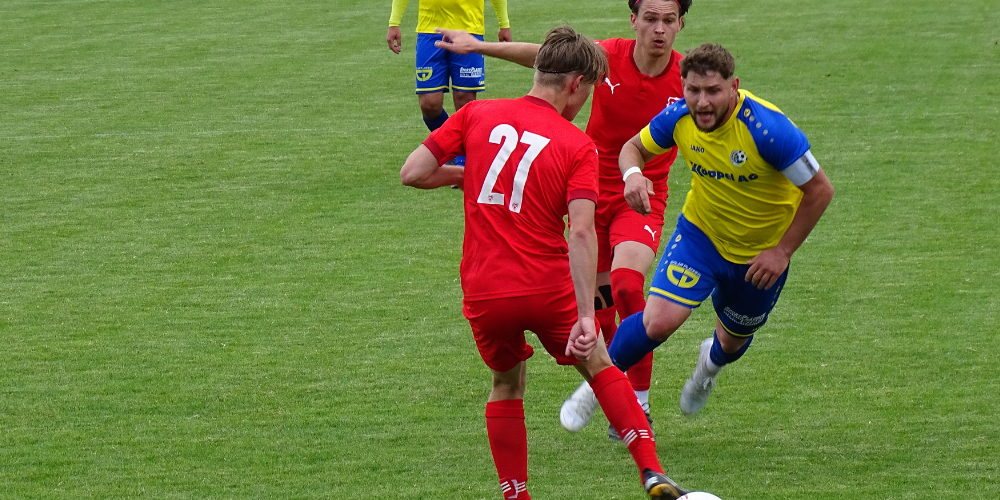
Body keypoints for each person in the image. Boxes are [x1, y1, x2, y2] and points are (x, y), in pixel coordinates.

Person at [400, 26, 689, 500]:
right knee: (599, 366)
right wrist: (584, 315)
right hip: (546, 286)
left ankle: (516, 494)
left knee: (506, 385)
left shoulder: (476, 113)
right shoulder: (578, 146)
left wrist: (469, 173)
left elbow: (413, 172)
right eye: (588, 91)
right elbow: (579, 231)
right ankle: (651, 471)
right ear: (576, 84)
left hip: (485, 289)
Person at [609, 43, 835, 416]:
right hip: (702, 235)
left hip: (760, 253)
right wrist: (632, 175)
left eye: (713, 91)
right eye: (693, 90)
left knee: (730, 342)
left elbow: (820, 191)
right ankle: (598, 386)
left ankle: (707, 368)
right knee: (658, 321)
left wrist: (781, 252)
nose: (701, 102)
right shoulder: (678, 117)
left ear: (734, 87)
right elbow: (633, 148)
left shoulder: (769, 131)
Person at [387, 0, 512, 167]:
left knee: (465, 99)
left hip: (469, 30)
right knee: (429, 105)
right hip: (429, 30)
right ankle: (454, 150)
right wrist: (394, 22)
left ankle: (463, 159)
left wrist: (504, 23)